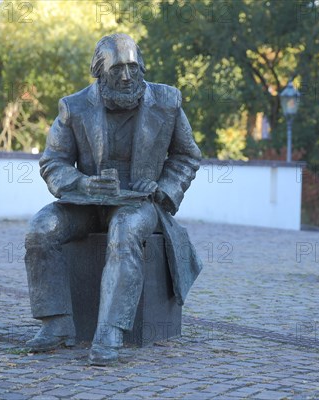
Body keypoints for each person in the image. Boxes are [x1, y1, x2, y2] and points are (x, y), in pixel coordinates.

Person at [24, 33, 202, 365]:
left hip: (140, 203)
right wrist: (84, 183)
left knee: (125, 230)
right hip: (86, 203)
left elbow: (187, 156)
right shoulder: (73, 107)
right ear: (99, 71)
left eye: (132, 67)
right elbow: (53, 161)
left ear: (142, 67)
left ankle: (111, 331)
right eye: (116, 68)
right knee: (40, 229)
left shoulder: (168, 101)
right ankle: (57, 324)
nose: (125, 76)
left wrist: (163, 188)